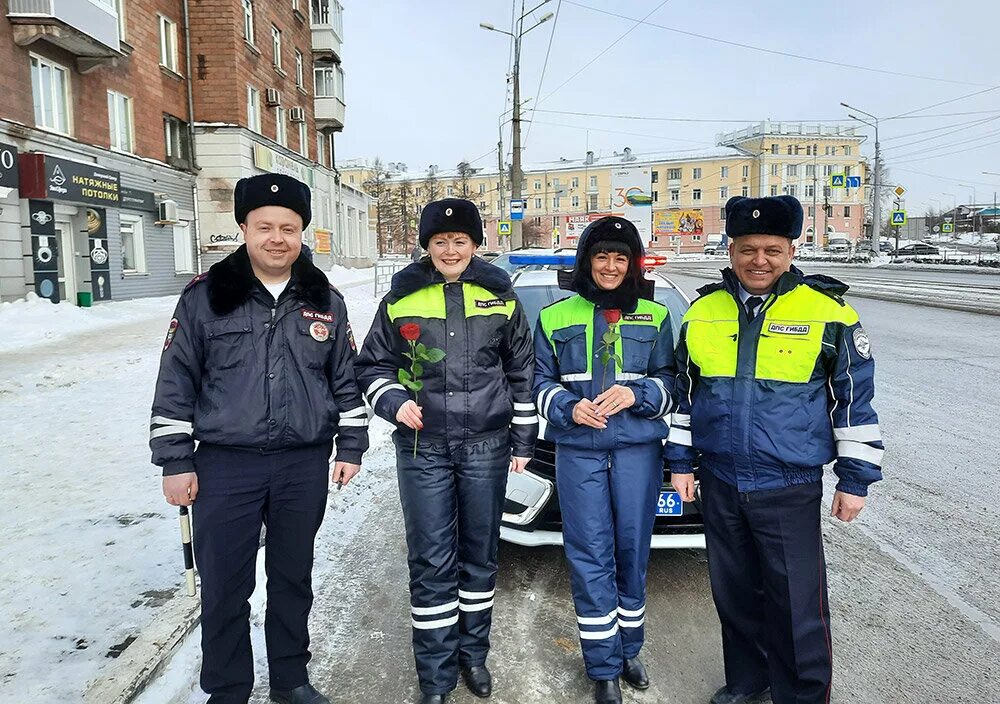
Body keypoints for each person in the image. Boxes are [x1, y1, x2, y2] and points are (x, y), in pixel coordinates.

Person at [150, 173, 369, 704]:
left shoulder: (326, 300)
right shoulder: (206, 297)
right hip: (226, 466)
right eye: (265, 226)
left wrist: (352, 445)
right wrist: (175, 460)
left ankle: (291, 680)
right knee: (226, 587)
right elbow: (176, 381)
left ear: (303, 233)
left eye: (289, 228)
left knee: (293, 579)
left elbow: (345, 377)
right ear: (244, 228)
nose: (277, 238)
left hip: (302, 465)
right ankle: (228, 689)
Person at [665, 195, 884, 704]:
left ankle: (801, 694)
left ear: (790, 249)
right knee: (734, 595)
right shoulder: (701, 312)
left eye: (771, 249)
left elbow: (855, 400)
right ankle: (748, 680)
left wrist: (855, 479)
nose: (758, 260)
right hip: (719, 479)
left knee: (796, 603)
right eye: (747, 249)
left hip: (787, 484)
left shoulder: (828, 312)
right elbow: (682, 394)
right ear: (731, 249)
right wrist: (680, 462)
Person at [355, 198, 536, 704]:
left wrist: (522, 441)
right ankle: (435, 675)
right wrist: (392, 402)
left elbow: (522, 374)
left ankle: (472, 656)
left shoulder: (500, 297)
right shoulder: (401, 300)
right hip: (423, 448)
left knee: (480, 553)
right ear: (427, 246)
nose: (451, 249)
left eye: (460, 241)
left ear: (476, 245)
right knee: (431, 559)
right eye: (440, 241)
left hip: (486, 447)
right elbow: (371, 366)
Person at [532, 216, 676, 704]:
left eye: (620, 257)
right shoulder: (554, 316)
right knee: (589, 553)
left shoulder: (655, 317)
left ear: (631, 263)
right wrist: (567, 406)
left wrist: (637, 395)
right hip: (579, 452)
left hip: (638, 451)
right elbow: (537, 382)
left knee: (633, 551)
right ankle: (602, 667)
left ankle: (629, 649)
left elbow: (671, 382)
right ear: (586, 262)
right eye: (601, 256)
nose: (611, 266)